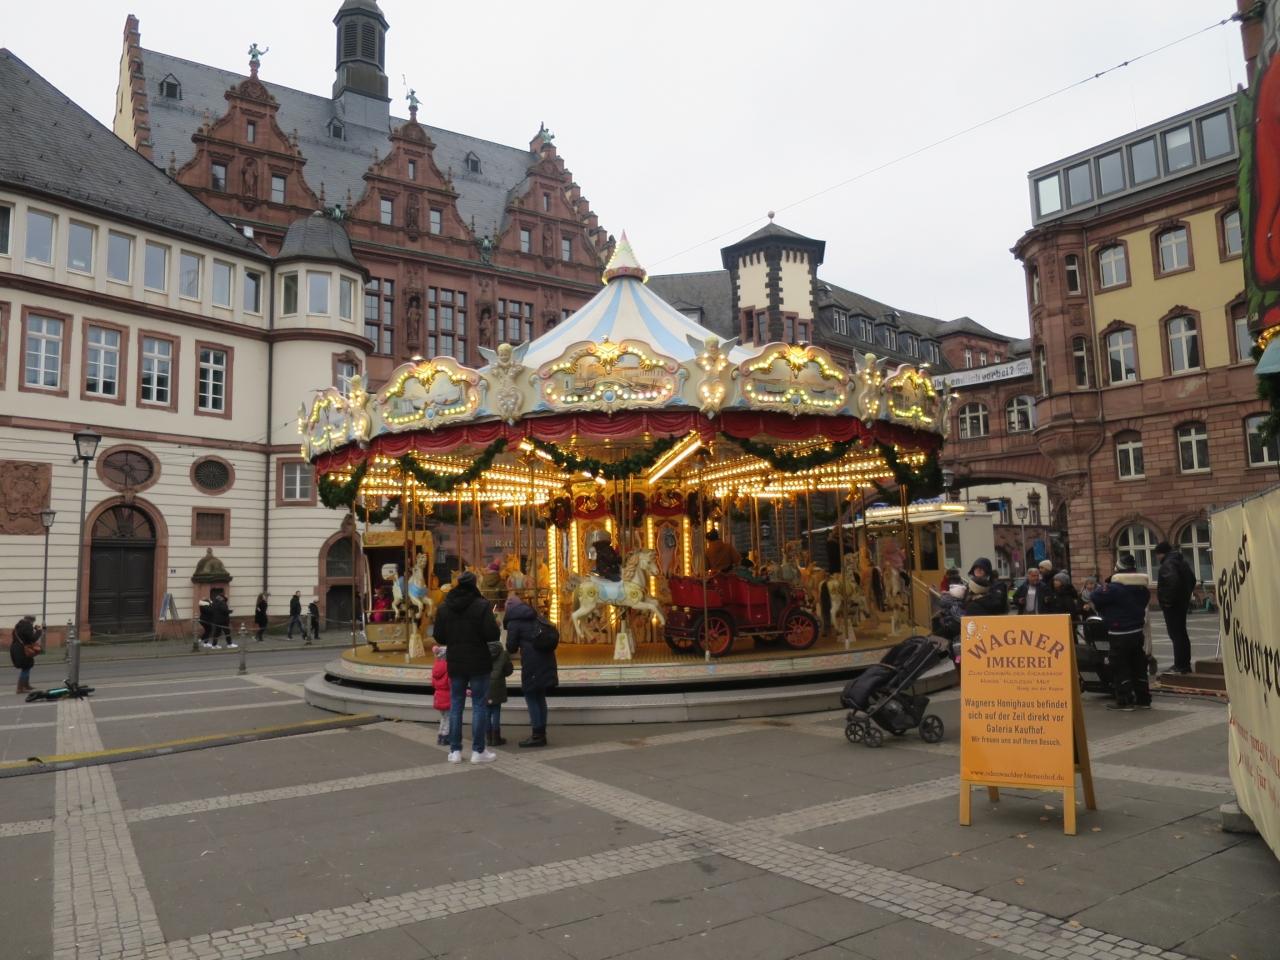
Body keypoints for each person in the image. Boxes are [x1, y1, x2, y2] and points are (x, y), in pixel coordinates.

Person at [433, 571, 497, 763]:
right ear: (474, 584)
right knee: (479, 705)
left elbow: (439, 636)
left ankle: (455, 751)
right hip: (479, 661)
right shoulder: (482, 605)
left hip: (456, 661)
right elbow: (492, 634)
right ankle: (478, 751)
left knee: (456, 705)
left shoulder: (445, 607)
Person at [1089, 553, 1152, 711]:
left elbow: (1095, 596)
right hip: (1137, 631)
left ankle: (1125, 700)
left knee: (1120, 666)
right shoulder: (1142, 588)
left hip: (1119, 633)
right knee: (1138, 665)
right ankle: (1143, 699)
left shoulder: (1114, 588)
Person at [504, 595, 557, 748]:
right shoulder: (536, 616)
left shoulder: (514, 622)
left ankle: (537, 735)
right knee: (540, 697)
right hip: (546, 660)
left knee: (531, 696)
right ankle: (541, 733)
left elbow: (511, 647)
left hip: (532, 663)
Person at [1154, 541, 1196, 674]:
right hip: (1182, 604)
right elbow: (1192, 580)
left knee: (1176, 635)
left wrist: (1167, 602)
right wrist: (1186, 595)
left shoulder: (1168, 564)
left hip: (1173, 606)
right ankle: (1184, 664)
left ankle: (1180, 665)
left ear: (1161, 553)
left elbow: (1173, 583)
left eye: (1157, 555)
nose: (1157, 558)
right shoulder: (1181, 562)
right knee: (1181, 634)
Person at [487, 624, 514, 747]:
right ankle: (496, 737)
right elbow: (508, 670)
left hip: (484, 684)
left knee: (486, 712)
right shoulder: (503, 653)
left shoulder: (481, 651)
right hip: (498, 686)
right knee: (496, 711)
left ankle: (488, 737)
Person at [10, 615, 42, 694]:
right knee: (25, 667)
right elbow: (32, 638)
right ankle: (20, 688)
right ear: (31, 621)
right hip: (23, 649)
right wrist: (38, 631)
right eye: (33, 622)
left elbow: (24, 636)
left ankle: (26, 685)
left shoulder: (18, 626)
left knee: (27, 666)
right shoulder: (27, 626)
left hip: (16, 648)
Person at [431, 645, 451, 745]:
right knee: (448, 719)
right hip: (447, 696)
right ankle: (445, 737)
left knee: (443, 717)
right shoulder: (448, 667)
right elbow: (450, 683)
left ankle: (440, 736)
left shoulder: (436, 667)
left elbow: (433, 683)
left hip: (438, 696)